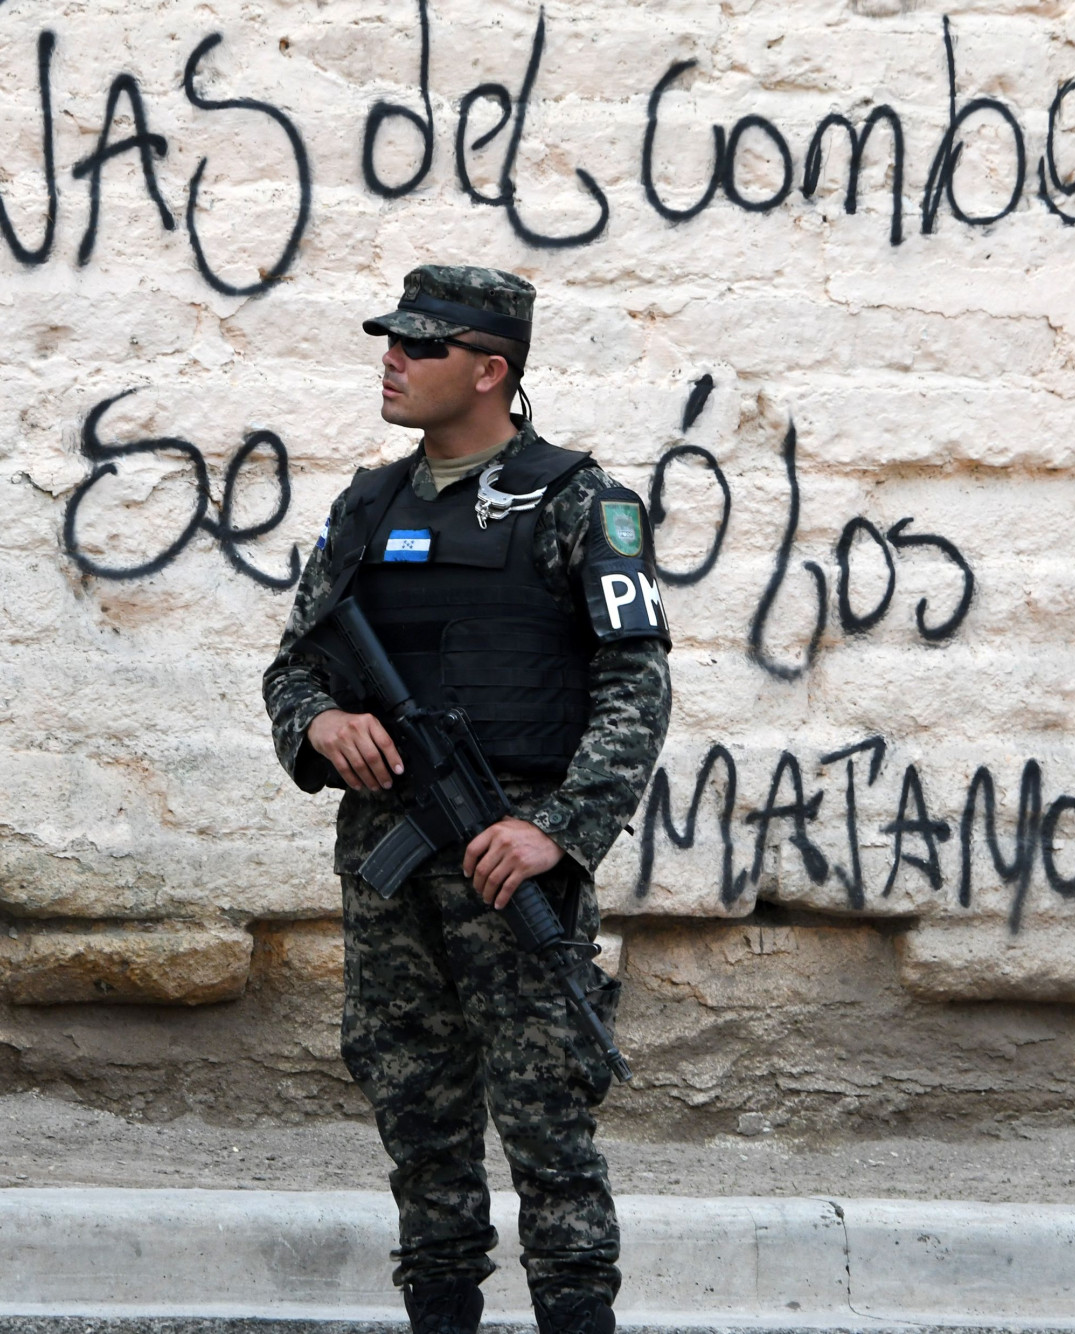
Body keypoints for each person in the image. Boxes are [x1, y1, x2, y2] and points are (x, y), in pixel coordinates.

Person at [262, 266, 673, 1334]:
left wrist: (556, 832)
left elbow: (635, 686)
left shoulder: (582, 502)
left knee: (547, 1127)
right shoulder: (366, 505)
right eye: (389, 341)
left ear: (489, 370)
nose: (391, 360)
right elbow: (294, 663)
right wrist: (318, 724)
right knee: (416, 1115)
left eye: (421, 346)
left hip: (510, 858)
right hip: (389, 861)